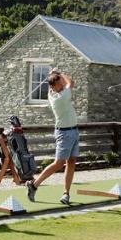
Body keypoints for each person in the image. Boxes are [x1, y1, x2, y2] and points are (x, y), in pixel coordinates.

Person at [26, 68, 79, 205]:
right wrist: (60, 74)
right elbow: (71, 82)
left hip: (73, 131)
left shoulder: (55, 92)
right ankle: (34, 184)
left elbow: (65, 83)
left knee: (71, 162)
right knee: (59, 163)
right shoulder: (59, 98)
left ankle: (66, 193)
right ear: (53, 87)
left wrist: (54, 75)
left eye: (61, 83)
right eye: (59, 84)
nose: (61, 85)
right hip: (64, 133)